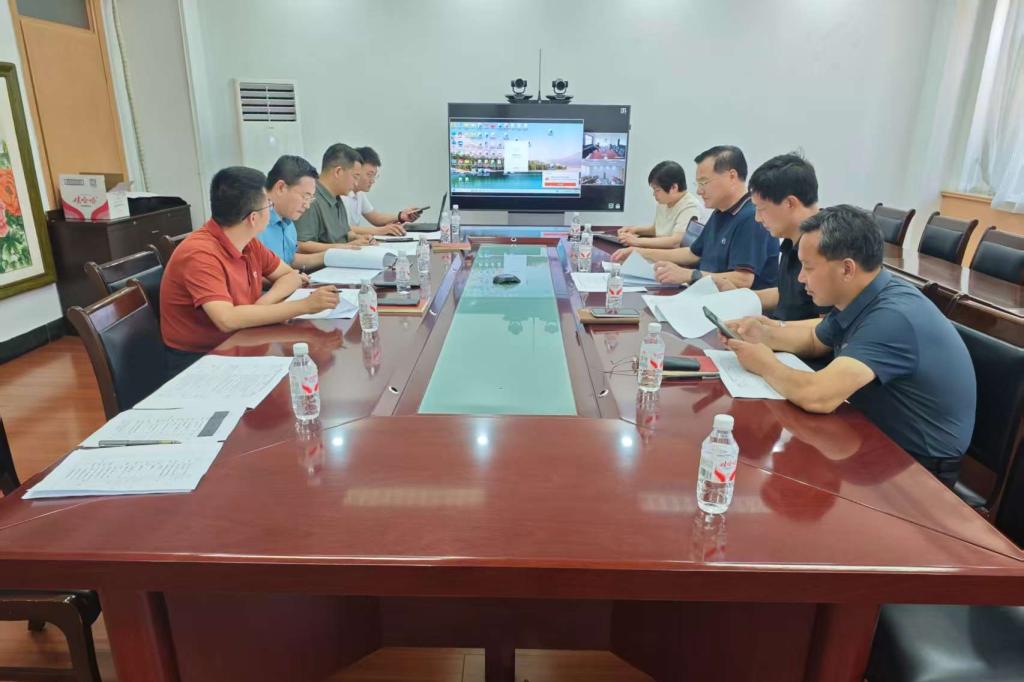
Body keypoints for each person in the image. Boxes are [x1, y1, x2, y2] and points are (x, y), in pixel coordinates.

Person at [722, 205, 976, 487]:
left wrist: (763, 363)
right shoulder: (862, 294)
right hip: (870, 434)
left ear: (846, 268)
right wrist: (763, 335)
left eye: (808, 267)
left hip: (917, 469)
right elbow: (815, 340)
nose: (800, 278)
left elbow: (818, 397)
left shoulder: (893, 317)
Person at [161, 166, 339, 374]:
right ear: (253, 218)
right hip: (200, 360)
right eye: (269, 205)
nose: (271, 211)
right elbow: (227, 320)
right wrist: (305, 305)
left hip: (243, 340)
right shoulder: (199, 254)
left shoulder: (248, 241)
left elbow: (289, 275)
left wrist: (262, 304)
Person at [611, 146, 779, 290]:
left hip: (737, 310)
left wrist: (689, 275)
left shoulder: (751, 217)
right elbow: (693, 253)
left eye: (704, 182)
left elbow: (743, 279)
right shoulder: (720, 212)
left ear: (732, 176)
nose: (699, 191)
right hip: (706, 296)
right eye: (698, 184)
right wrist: (639, 252)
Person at [739, 152, 830, 321]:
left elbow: (827, 326)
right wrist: (736, 299)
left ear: (790, 203)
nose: (757, 218)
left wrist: (770, 330)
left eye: (762, 209)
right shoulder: (791, 238)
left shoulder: (824, 246)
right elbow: (787, 296)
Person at [294, 143, 373, 253]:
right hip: (323, 263)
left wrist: (358, 238)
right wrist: (344, 247)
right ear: (338, 172)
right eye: (355, 177)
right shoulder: (310, 200)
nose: (356, 184)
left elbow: (344, 233)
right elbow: (301, 245)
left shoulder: (337, 198)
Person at [259, 155, 330, 272]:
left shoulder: (288, 222)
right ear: (281, 187)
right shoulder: (255, 223)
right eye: (305, 196)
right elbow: (253, 273)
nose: (307, 206)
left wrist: (332, 255)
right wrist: (290, 276)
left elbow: (289, 260)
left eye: (310, 199)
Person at [616, 161, 702, 250]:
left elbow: (675, 242)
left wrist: (636, 241)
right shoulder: (665, 202)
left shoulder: (690, 207)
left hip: (672, 256)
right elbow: (657, 229)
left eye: (657, 190)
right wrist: (634, 230)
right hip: (660, 252)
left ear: (673, 187)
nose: (654, 194)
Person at [341, 146, 424, 236]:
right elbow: (342, 229)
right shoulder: (342, 194)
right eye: (369, 175)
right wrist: (380, 230)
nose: (372, 181)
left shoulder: (359, 193)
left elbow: (376, 217)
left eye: (374, 175)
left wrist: (401, 216)